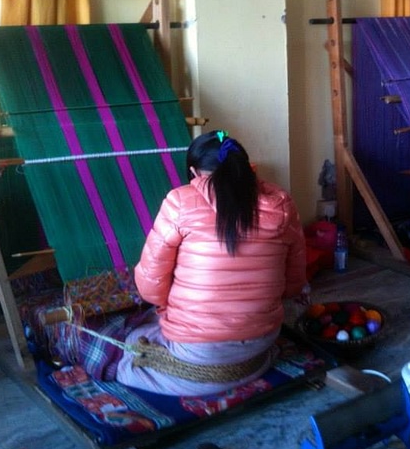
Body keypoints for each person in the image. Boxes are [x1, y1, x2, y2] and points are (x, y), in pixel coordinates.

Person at [115, 130, 308, 395]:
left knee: (131, 346)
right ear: (245, 167)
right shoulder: (282, 204)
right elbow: (295, 281)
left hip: (201, 352)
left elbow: (150, 288)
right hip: (263, 340)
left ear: (194, 172)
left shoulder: (179, 202)